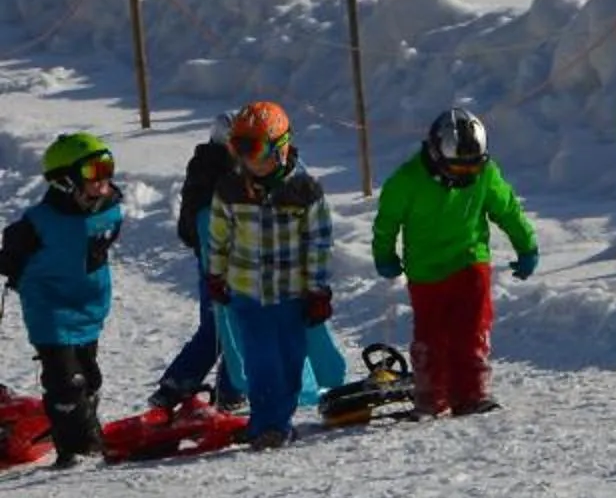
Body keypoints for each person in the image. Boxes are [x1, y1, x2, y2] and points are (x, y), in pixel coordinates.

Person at [372, 108, 541, 418]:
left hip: (469, 259)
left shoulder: (486, 175)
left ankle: (471, 393)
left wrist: (525, 244)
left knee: (471, 328)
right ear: (436, 154)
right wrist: (384, 255)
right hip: (425, 271)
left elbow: (507, 210)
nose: (466, 176)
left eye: (472, 169)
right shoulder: (407, 180)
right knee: (431, 335)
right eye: (458, 169)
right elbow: (387, 222)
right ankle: (431, 396)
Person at [204, 101, 333, 452]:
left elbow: (318, 242)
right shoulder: (230, 189)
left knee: (290, 362)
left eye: (255, 151)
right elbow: (219, 237)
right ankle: (266, 425)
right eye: (239, 151)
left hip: (292, 295)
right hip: (249, 293)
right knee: (262, 362)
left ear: (281, 148)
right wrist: (215, 275)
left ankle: (281, 417)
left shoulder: (304, 190)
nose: (248, 161)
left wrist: (318, 290)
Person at [1, 133, 126, 468]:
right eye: (92, 171)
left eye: (107, 167)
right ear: (64, 181)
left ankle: (83, 427)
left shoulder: (111, 211)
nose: (103, 179)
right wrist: (15, 268)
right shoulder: (38, 222)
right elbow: (11, 251)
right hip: (50, 309)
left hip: (89, 306)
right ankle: (78, 447)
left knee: (89, 377)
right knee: (65, 382)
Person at [149, 123, 247, 411]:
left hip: (230, 264)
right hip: (219, 266)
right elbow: (197, 227)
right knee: (225, 326)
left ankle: (215, 388)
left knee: (226, 326)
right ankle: (220, 391)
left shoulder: (216, 170)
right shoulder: (212, 175)